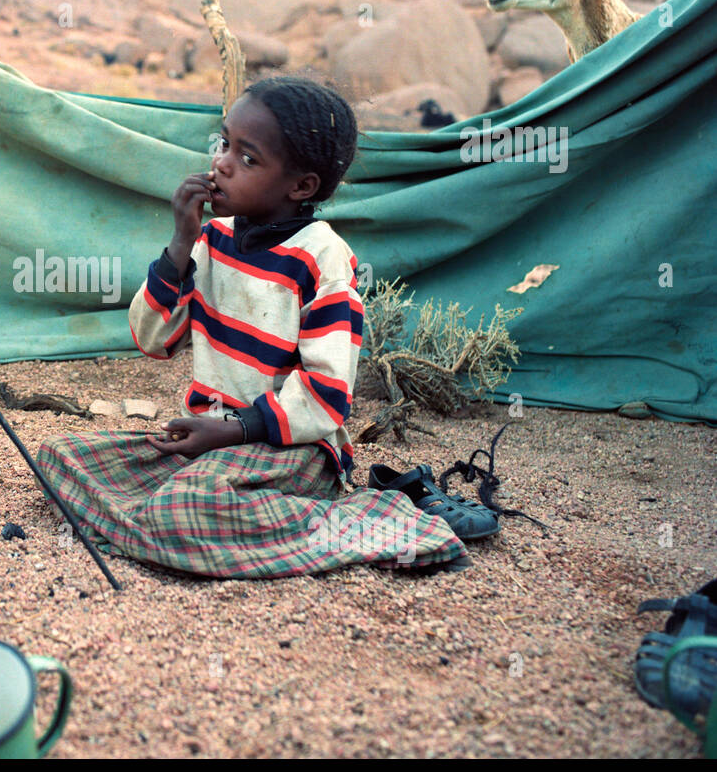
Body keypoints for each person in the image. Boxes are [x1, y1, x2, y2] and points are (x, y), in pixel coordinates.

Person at [36, 76, 467, 577]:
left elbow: (327, 398)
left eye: (247, 158)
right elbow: (153, 339)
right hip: (208, 442)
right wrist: (180, 245)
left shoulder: (321, 259)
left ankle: (374, 519)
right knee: (59, 458)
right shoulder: (211, 238)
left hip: (289, 450)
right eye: (224, 144)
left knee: (182, 508)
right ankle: (164, 528)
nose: (220, 163)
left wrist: (233, 430)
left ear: (300, 186)